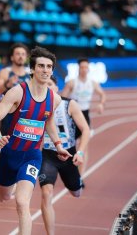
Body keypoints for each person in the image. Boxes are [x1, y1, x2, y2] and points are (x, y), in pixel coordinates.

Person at [0, 46, 72, 235]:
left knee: (22, 203)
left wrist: (58, 145)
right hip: (10, 154)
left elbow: (48, 121)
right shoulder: (17, 92)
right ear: (32, 69)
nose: (45, 70)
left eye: (49, 66)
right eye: (41, 66)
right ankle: (9, 186)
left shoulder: (54, 99)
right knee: (6, 196)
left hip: (32, 156)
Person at [39, 75, 90, 235]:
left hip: (69, 154)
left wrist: (80, 152)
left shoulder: (69, 104)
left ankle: (77, 181)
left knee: (76, 192)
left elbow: (86, 130)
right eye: (44, 85)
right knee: (46, 193)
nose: (47, 88)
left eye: (50, 85)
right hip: (48, 155)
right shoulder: (36, 107)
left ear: (56, 88)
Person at [60, 57, 106, 175]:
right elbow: (62, 98)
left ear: (89, 69)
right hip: (72, 116)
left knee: (84, 147)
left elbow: (102, 94)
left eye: (86, 67)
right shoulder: (72, 83)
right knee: (70, 145)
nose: (84, 69)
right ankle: (69, 170)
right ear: (78, 68)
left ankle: (80, 176)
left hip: (85, 115)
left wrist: (101, 104)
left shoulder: (93, 83)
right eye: (82, 67)